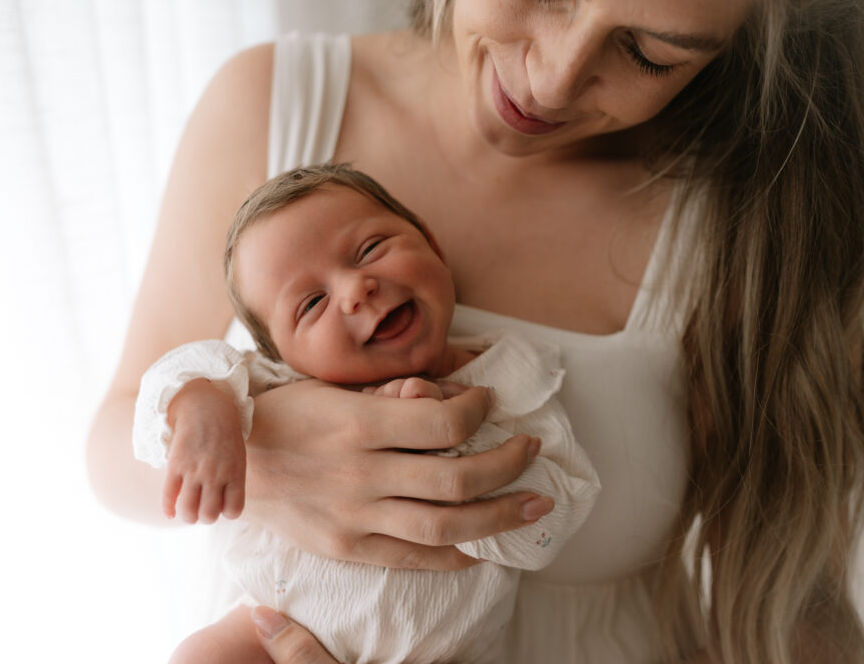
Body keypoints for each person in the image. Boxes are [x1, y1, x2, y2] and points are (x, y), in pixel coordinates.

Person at [86, 0, 864, 662]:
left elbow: (793, 596)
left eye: (650, 53)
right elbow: (118, 439)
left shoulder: (746, 214)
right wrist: (272, 456)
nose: (550, 81)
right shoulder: (274, 101)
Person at [132, 163, 600, 664]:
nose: (356, 289)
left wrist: (452, 444)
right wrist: (205, 412)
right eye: (312, 303)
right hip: (272, 635)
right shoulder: (281, 385)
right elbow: (177, 375)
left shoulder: (514, 379)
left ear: (432, 246)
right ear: (280, 356)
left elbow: (551, 529)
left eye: (370, 250)